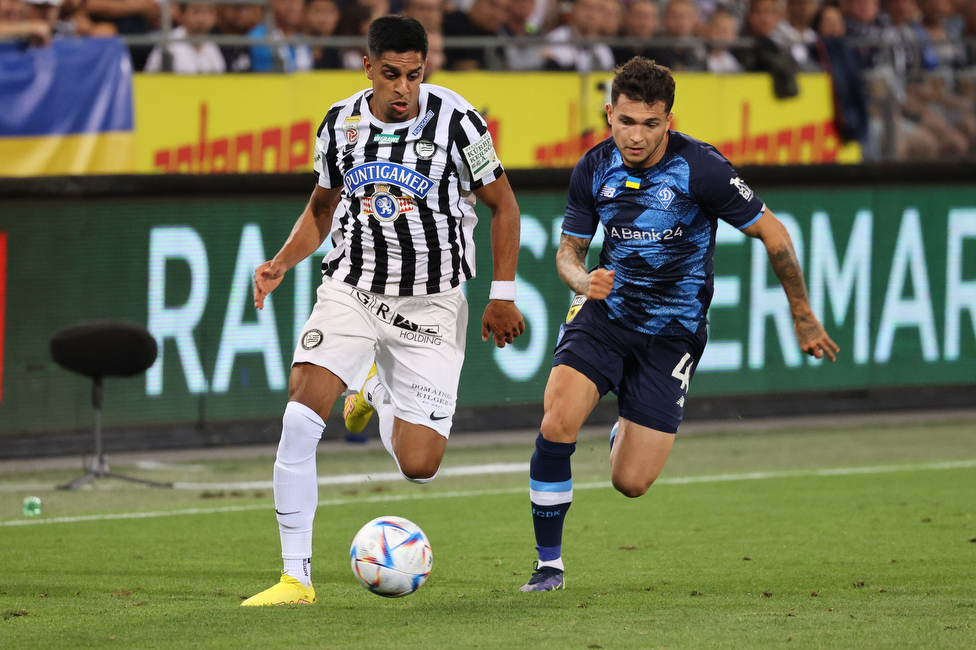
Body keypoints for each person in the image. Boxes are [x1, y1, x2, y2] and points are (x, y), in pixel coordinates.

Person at [518, 57, 838, 592]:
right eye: (626, 121)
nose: (636, 135)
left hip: (673, 333)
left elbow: (774, 233)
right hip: (605, 315)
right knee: (558, 423)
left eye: (650, 123)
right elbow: (568, 252)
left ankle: (626, 422)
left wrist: (802, 315)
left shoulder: (702, 168)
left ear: (669, 120)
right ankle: (549, 565)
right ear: (609, 115)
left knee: (632, 483)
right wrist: (581, 282)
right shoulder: (593, 168)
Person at [242, 14, 525, 606]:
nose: (403, 89)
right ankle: (297, 577)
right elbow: (322, 208)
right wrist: (281, 262)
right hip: (354, 288)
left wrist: (503, 295)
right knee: (299, 413)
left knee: (420, 467)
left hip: (431, 305)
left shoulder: (457, 121)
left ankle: (376, 392)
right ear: (367, 67)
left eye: (414, 76)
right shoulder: (339, 125)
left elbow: (503, 205)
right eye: (391, 75)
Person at [144, 2, 226, 73]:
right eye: (196, 12)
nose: (202, 19)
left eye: (207, 12)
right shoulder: (169, 45)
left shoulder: (212, 47)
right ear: (182, 15)